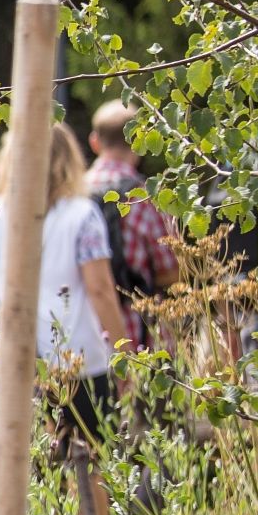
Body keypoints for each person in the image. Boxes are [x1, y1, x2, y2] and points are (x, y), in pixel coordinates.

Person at [0, 122, 131, 515]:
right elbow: (101, 290)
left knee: (18, 468)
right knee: (89, 463)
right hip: (74, 356)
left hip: (4, 353)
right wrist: (124, 354)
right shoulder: (82, 215)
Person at [85, 100, 176, 344]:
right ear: (140, 140)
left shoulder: (73, 193)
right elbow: (170, 270)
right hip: (136, 330)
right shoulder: (145, 195)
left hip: (84, 330)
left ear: (94, 141)